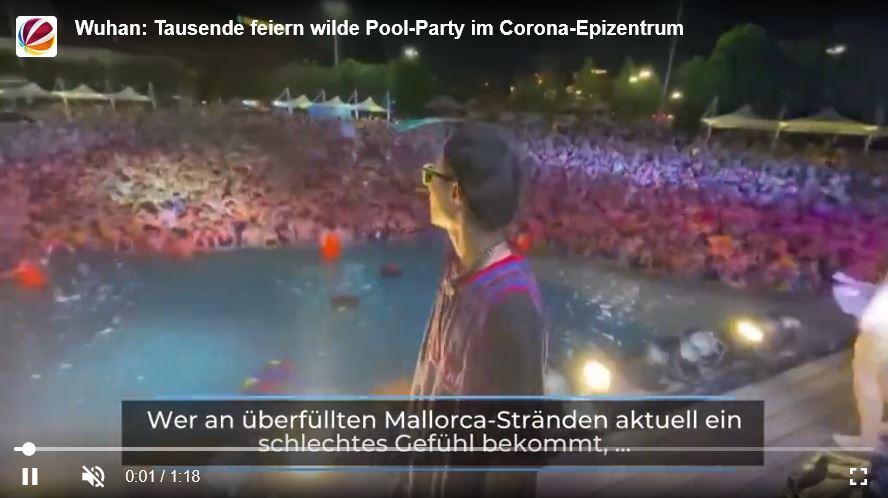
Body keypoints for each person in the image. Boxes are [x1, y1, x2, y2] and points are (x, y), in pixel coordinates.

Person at [402, 123, 547, 498]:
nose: (425, 185)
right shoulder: (458, 269)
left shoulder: (510, 304)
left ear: (455, 193)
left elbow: (516, 455)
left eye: (431, 175)